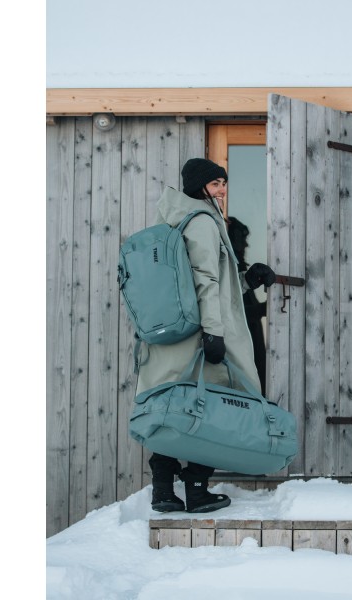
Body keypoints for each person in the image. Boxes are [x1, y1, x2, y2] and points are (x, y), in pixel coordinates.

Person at [137, 158, 276, 513]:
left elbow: (201, 283)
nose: (222, 190)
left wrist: (247, 280)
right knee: (214, 410)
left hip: (174, 334)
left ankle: (163, 491)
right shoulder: (202, 221)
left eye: (224, 183)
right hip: (203, 333)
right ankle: (197, 491)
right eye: (215, 184)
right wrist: (214, 333)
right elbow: (206, 281)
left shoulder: (172, 217)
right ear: (199, 187)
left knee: (172, 409)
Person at [227, 216, 268, 393]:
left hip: (252, 346)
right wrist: (262, 309)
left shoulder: (240, 272)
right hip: (241, 351)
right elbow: (230, 311)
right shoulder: (229, 272)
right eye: (242, 239)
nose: (246, 245)